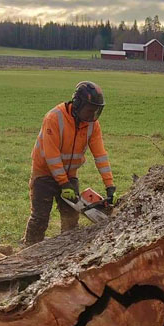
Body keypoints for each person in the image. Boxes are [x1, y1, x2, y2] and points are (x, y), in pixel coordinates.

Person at [23, 81, 117, 244]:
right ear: (78, 104)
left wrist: (110, 186)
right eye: (90, 111)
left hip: (69, 173)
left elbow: (100, 154)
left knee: (71, 218)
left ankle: (64, 251)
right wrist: (64, 183)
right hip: (44, 172)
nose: (92, 115)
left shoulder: (92, 125)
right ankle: (27, 251)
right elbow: (51, 155)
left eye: (96, 111)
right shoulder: (54, 117)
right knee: (40, 218)